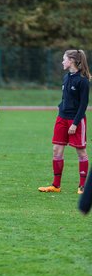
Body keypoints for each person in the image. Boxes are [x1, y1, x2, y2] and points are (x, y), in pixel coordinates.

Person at [39, 49, 91, 194]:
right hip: (62, 118)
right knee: (56, 150)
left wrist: (75, 123)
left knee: (81, 152)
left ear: (72, 60)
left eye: (64, 59)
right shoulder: (66, 77)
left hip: (76, 120)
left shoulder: (83, 81)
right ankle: (56, 185)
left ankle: (82, 186)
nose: (62, 61)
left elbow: (83, 105)